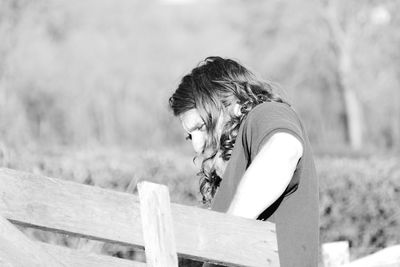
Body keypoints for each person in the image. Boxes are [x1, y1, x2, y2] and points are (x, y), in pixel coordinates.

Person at [168, 56, 319, 267]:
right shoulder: (236, 160)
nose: (196, 146)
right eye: (189, 136)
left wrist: (224, 240)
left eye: (201, 127)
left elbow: (284, 150)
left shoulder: (265, 113)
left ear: (230, 104)